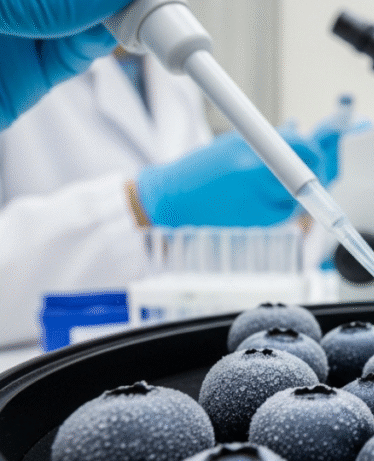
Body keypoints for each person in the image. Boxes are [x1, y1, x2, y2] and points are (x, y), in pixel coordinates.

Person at [0, 2, 342, 346]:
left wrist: (289, 216)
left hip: (156, 348)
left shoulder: (170, 71)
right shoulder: (13, 50)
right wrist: (140, 205)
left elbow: (200, 262)